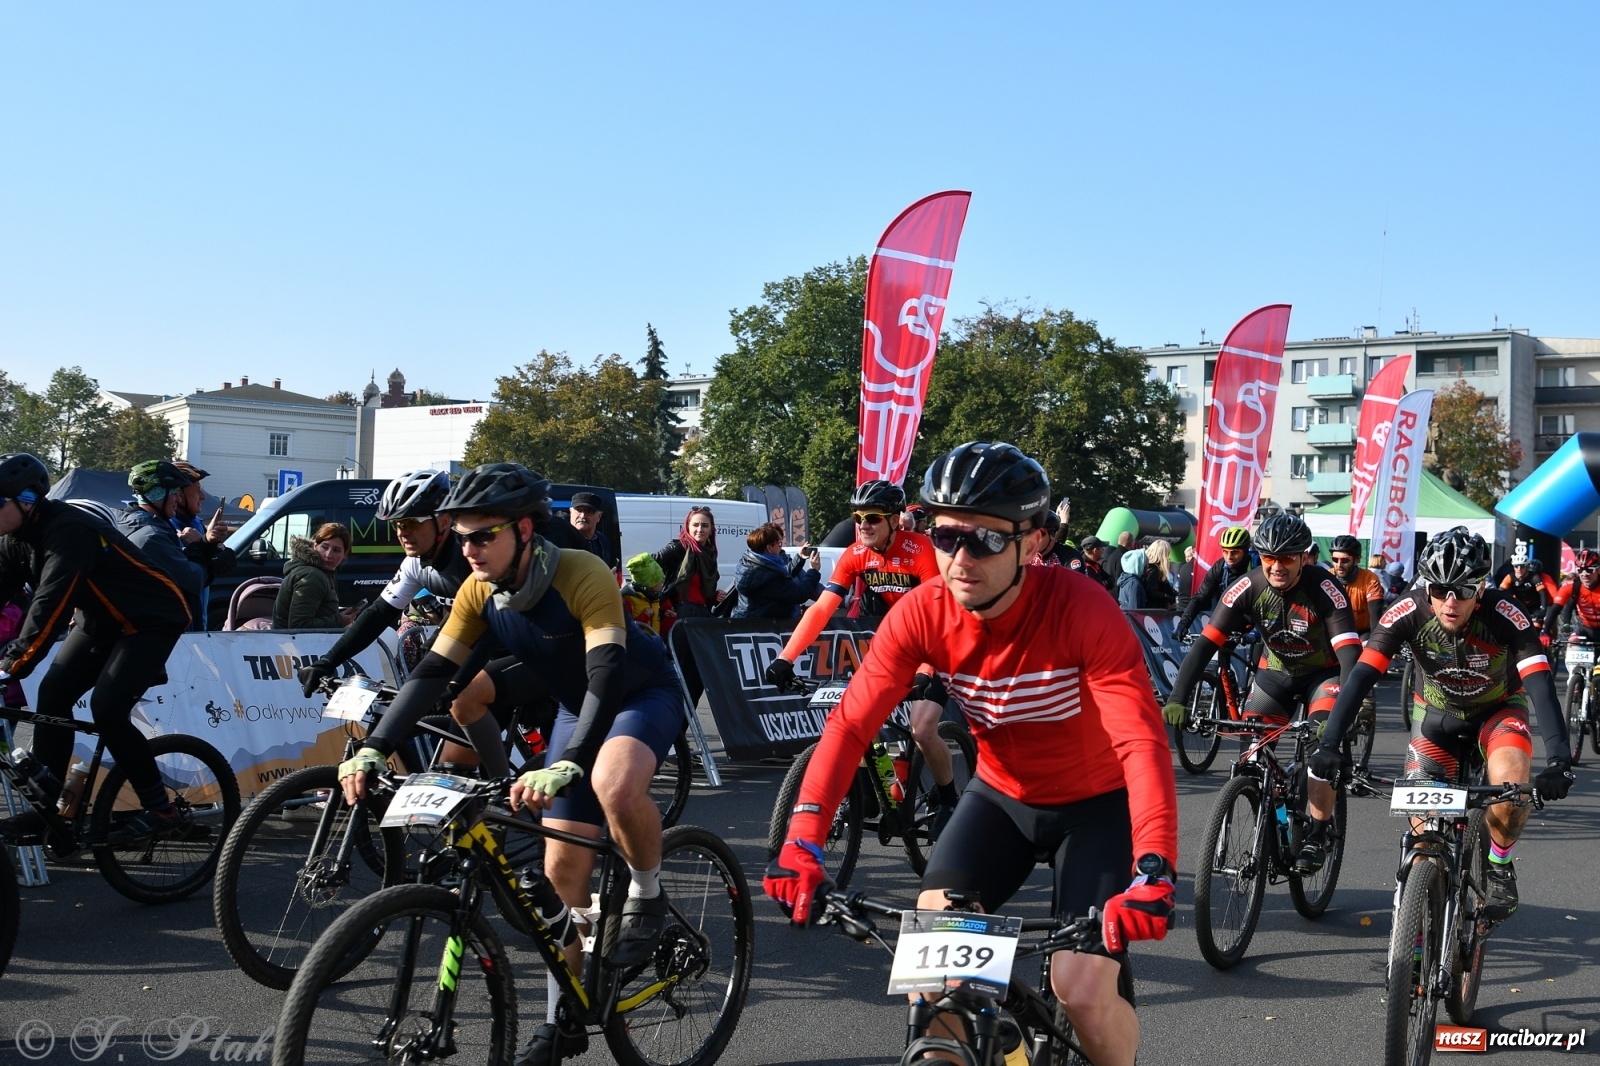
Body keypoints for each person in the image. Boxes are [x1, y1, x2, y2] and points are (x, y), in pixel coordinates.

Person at [764, 442, 1178, 1066]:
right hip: (1001, 800)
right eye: (945, 534)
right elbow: (850, 728)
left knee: (1081, 987)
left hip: (1097, 808)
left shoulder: (1082, 609)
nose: (960, 558)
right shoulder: (920, 614)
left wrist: (1154, 868)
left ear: (1032, 543)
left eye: (985, 540)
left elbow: (1140, 742)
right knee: (936, 988)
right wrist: (802, 839)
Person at [333, 462, 684, 1063]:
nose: (467, 547)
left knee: (612, 784)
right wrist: (373, 745)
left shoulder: (581, 571)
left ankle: (648, 894)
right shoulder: (477, 590)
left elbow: (605, 674)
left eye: (481, 535)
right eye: (461, 535)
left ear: (524, 529)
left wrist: (566, 760)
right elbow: (432, 675)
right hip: (580, 705)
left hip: (637, 693)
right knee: (564, 883)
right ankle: (562, 1021)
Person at [1307, 528, 1574, 920]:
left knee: (1513, 782)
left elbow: (1541, 686)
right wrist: (1330, 742)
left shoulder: (1505, 615)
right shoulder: (1408, 610)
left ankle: (1499, 865)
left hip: (1496, 711)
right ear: (1426, 587)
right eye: (1440, 589)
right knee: (1423, 843)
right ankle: (1414, 941)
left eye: (1463, 591)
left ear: (1480, 590)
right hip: (1435, 717)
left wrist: (1560, 760)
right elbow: (1362, 676)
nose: (1450, 602)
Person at [0, 453, 194, 843]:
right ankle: (49, 810)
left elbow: (51, 603)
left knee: (108, 710)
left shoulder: (69, 528)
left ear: (26, 499)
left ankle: (161, 809)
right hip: (100, 622)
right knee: (52, 694)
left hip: (151, 618)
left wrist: (10, 666)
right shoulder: (16, 539)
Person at [1162, 513, 1361, 874]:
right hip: (1276, 675)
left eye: (1286, 557)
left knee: (1319, 755)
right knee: (1251, 758)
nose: (1277, 566)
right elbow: (1205, 646)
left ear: (1304, 557)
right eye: (1269, 557)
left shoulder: (1326, 588)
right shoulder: (1246, 587)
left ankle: (1316, 833)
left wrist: (1340, 718)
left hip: (1324, 675)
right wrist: (1177, 697)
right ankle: (1267, 821)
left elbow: (1350, 655)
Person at [763, 480, 960, 833]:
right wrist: (785, 657)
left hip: (940, 638)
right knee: (854, 716)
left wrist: (926, 670)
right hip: (900, 640)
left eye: (873, 517)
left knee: (922, 728)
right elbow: (822, 609)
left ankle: (949, 800)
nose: (863, 524)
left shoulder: (920, 550)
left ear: (895, 521)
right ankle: (871, 793)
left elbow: (938, 614)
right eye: (858, 517)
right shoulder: (856, 554)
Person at [116, 460, 211, 626]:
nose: (177, 498)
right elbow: (193, 581)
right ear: (158, 494)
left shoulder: (133, 524)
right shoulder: (151, 536)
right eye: (174, 492)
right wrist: (197, 548)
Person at [169, 460, 235, 629]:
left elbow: (223, 565)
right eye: (197, 491)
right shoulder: (167, 529)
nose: (203, 497)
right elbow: (188, 578)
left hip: (198, 625)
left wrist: (212, 541)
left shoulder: (197, 524)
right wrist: (202, 544)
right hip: (177, 629)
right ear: (180, 495)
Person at [1174, 526, 1254, 640]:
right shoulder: (1220, 566)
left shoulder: (1257, 566)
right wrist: (1183, 624)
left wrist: (1257, 631)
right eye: (1225, 552)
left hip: (1258, 618)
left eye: (1235, 552)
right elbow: (1200, 598)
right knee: (1204, 649)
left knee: (1260, 652)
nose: (1229, 557)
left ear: (1245, 551)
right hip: (1230, 616)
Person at [731, 523, 821, 619]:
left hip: (746, 622)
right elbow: (799, 595)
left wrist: (799, 558)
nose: (781, 547)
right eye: (779, 543)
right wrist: (813, 570)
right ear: (769, 547)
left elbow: (784, 575)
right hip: (764, 626)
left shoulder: (748, 561)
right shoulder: (768, 576)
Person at [272, 522, 353, 629]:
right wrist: (339, 621)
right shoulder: (312, 576)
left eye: (336, 550)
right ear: (315, 546)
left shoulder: (320, 571)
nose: (328, 555)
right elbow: (299, 626)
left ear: (344, 554)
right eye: (324, 547)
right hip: (292, 643)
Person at [1548, 549, 1600, 706]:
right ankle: (1574, 681)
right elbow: (1555, 610)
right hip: (1584, 629)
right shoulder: (1573, 586)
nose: (1584, 574)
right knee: (1572, 644)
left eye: (1589, 570)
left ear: (1598, 569)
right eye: (1580, 570)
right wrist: (1544, 633)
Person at [653, 506, 723, 619]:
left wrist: (715, 596)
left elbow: (701, 589)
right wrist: (656, 593)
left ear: (711, 530)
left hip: (704, 611)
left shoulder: (710, 554)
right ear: (687, 528)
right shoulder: (678, 548)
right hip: (680, 611)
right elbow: (648, 563)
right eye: (695, 525)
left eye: (705, 526)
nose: (700, 529)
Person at [621, 552, 671, 635]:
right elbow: (627, 629)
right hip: (637, 646)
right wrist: (645, 615)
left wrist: (669, 618)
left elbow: (658, 632)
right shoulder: (628, 599)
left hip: (652, 645)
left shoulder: (655, 598)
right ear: (649, 583)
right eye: (659, 580)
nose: (662, 583)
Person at [567, 490, 618, 570]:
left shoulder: (602, 541)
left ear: (599, 516)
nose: (583, 516)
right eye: (579, 510)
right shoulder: (562, 539)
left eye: (589, 511)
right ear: (570, 512)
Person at [1142, 539, 1177, 611]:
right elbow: (1152, 592)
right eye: (1167, 554)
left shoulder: (1151, 568)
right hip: (1155, 610)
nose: (1168, 558)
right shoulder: (1153, 570)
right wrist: (1168, 597)